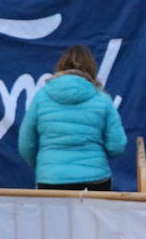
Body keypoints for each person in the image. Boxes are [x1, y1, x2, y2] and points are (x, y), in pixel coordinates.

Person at [17, 44, 127, 191]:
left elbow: (25, 144)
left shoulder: (41, 97)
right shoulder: (102, 99)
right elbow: (117, 145)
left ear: (60, 66)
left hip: (51, 178)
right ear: (92, 69)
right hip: (95, 179)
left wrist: (46, 164)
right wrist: (95, 158)